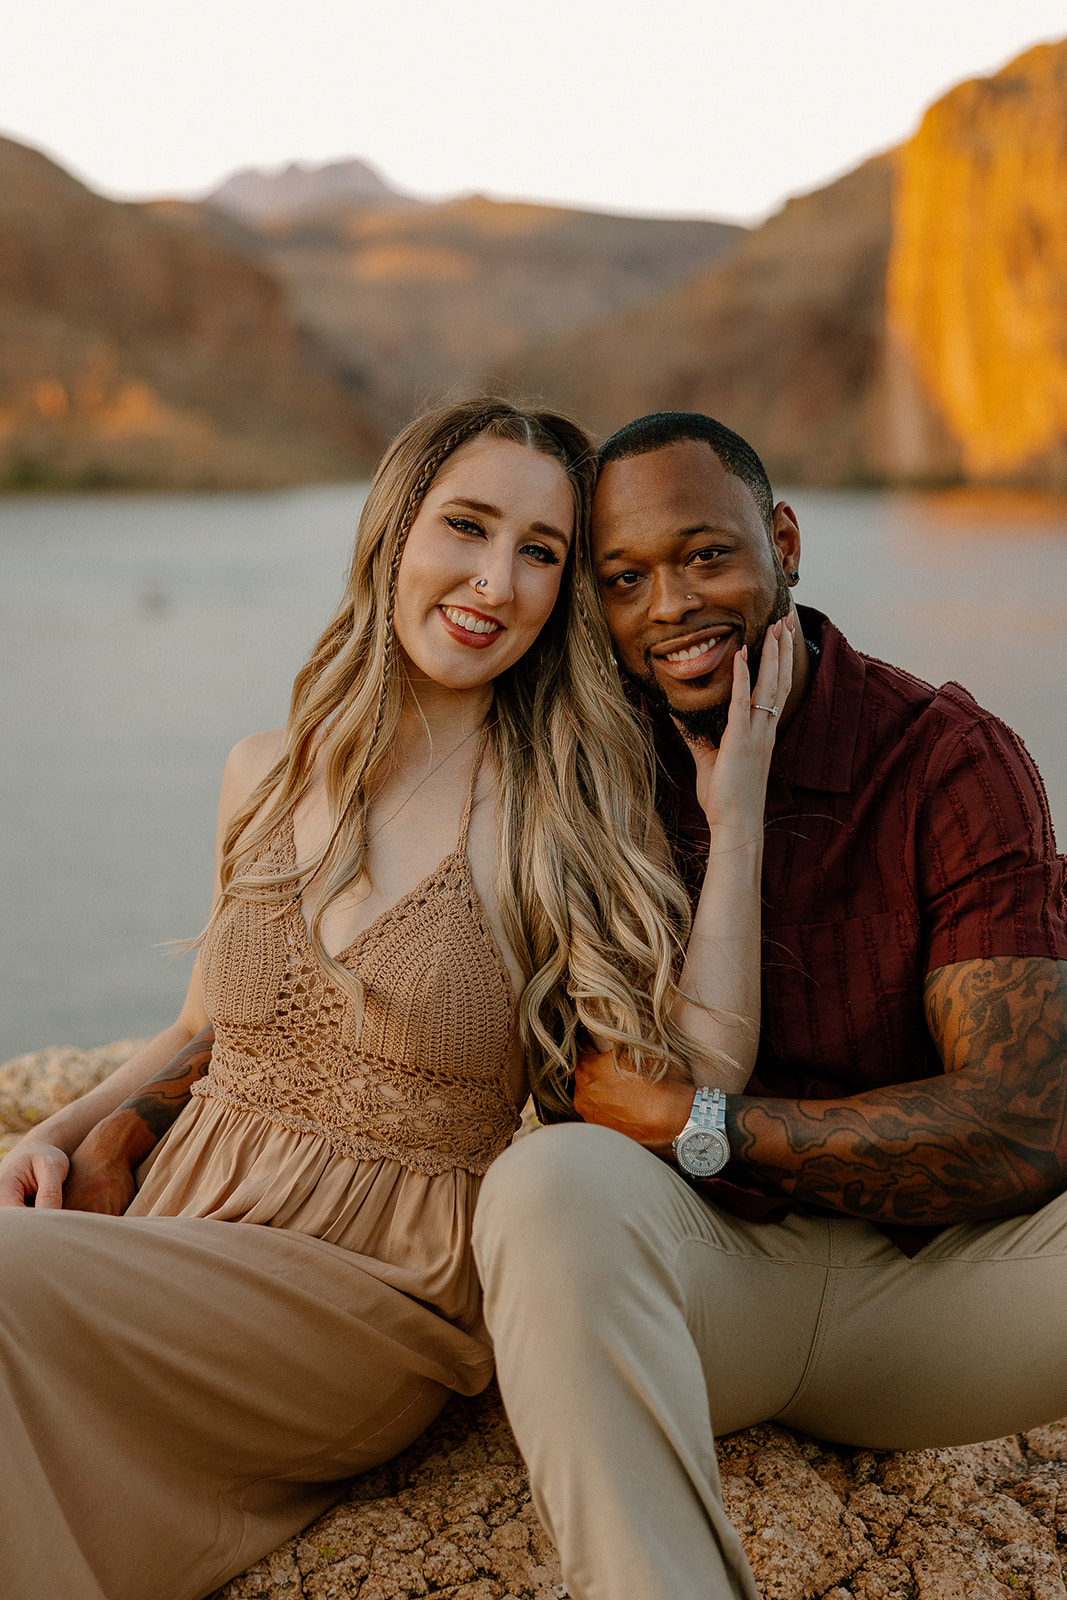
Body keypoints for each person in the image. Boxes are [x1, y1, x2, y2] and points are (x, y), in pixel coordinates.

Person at [0, 398, 791, 1600]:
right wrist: (47, 1139)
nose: (493, 581)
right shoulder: (264, 770)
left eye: (540, 552)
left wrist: (734, 830)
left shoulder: (559, 813)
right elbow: (199, 1029)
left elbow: (699, 1071)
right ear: (392, 532)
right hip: (180, 1229)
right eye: (467, 527)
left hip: (373, 1294)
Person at [471, 411, 1067, 1600]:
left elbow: (1019, 1124)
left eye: (704, 556)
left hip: (944, 1307)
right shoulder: (588, 770)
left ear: (781, 541)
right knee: (544, 1184)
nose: (671, 607)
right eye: (624, 578)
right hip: (703, 1300)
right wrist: (153, 1100)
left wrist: (711, 1126)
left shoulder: (942, 756)